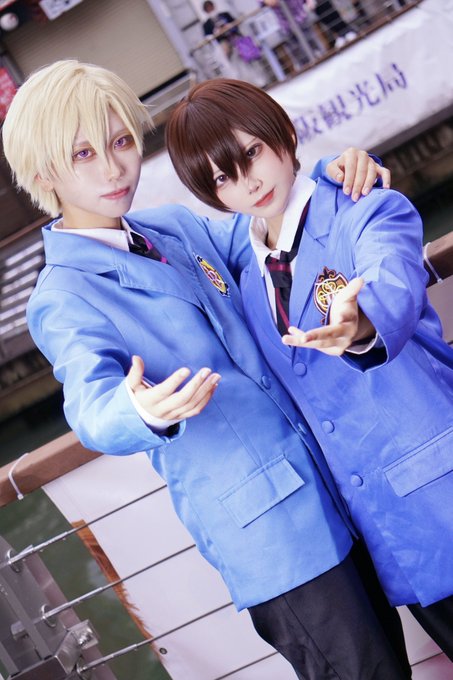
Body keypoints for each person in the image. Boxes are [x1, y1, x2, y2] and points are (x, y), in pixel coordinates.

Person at [3, 60, 410, 680]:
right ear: (42, 174)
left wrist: (334, 170)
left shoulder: (172, 226)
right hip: (275, 543)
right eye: (83, 154)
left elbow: (271, 227)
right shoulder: (62, 296)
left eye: (120, 142)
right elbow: (90, 403)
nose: (113, 168)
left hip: (336, 491)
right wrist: (138, 409)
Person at [165, 77, 453, 662]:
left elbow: (392, 279)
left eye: (251, 153)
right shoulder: (247, 276)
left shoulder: (362, 206)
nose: (248, 182)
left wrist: (361, 324)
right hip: (388, 534)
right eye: (222, 178)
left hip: (441, 491)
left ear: (284, 135)